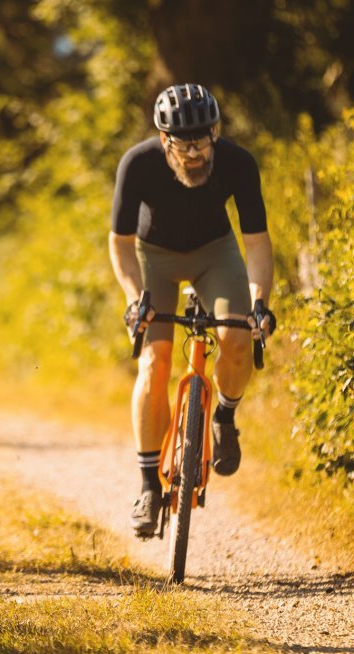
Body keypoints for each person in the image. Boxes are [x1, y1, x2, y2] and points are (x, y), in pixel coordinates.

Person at [108, 83, 276, 539]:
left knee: (238, 339)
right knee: (154, 361)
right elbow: (120, 245)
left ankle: (223, 415)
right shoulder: (137, 164)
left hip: (214, 254)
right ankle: (146, 487)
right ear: (164, 141)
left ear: (215, 133)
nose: (196, 153)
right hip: (154, 257)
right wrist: (133, 297)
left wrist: (259, 303)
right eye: (184, 145)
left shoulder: (238, 163)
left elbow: (257, 244)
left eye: (203, 141)